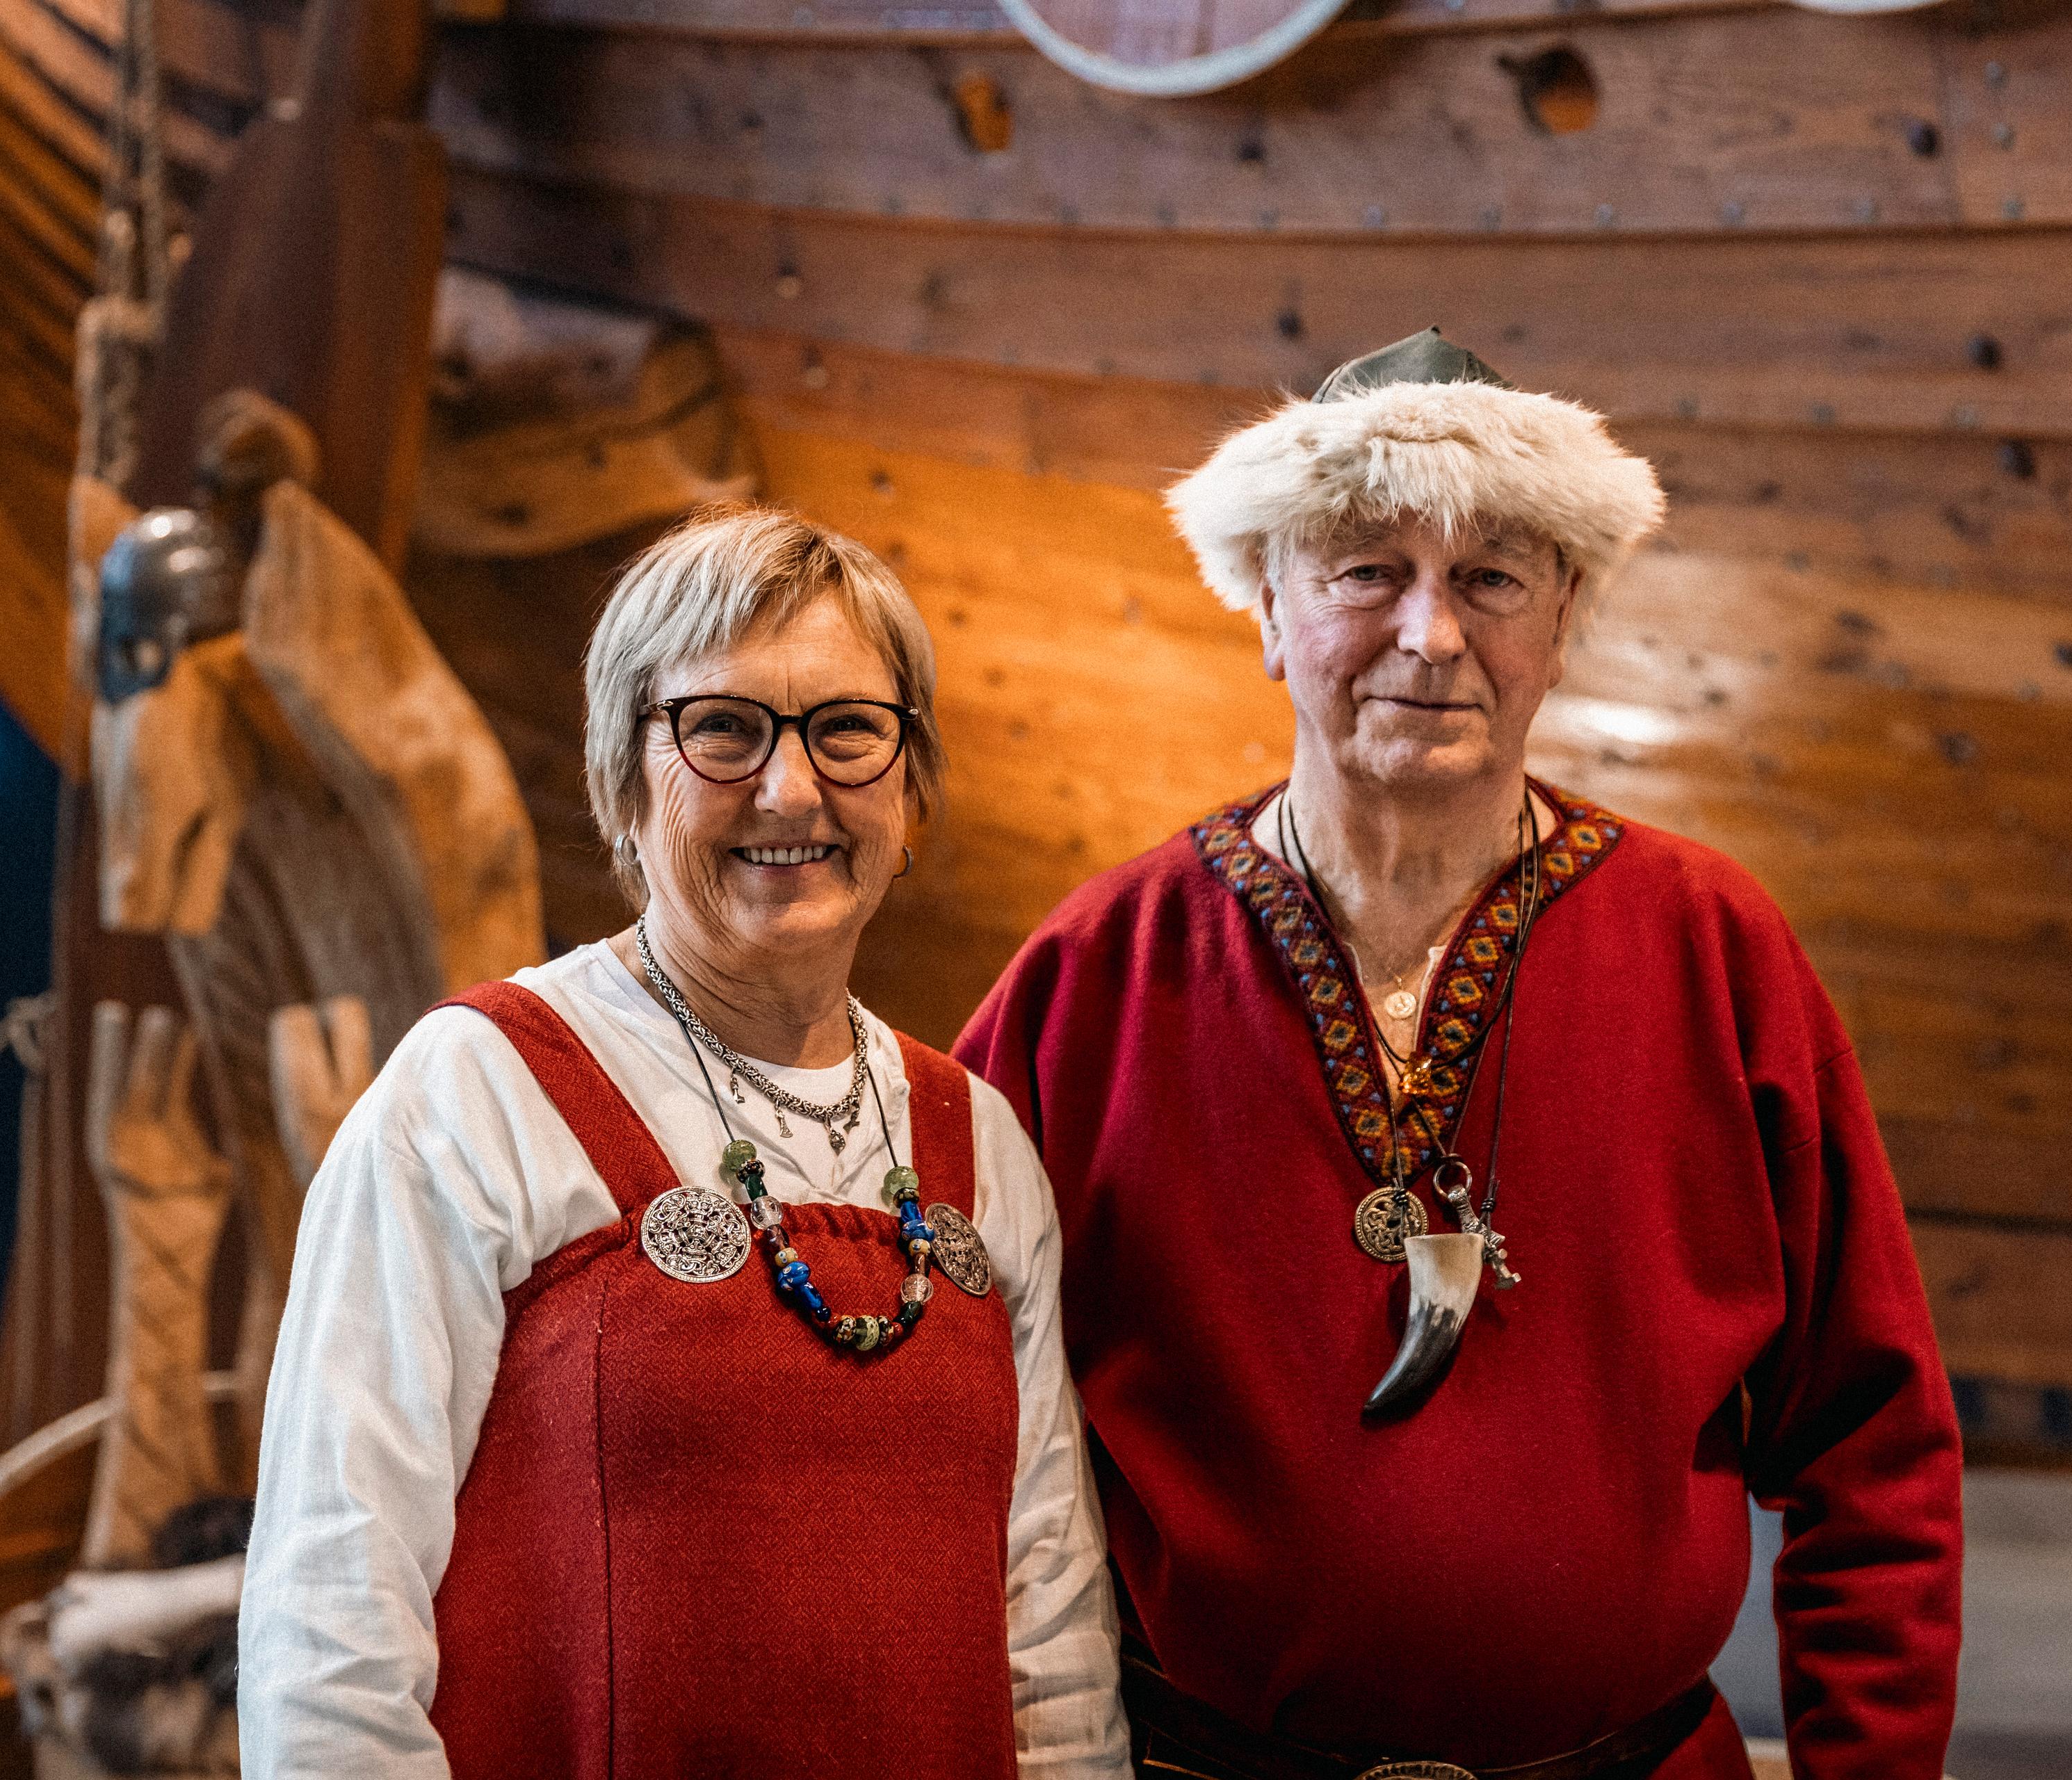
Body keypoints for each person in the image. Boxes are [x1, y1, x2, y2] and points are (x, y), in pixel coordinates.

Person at [957, 330, 1963, 1780]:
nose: (1431, 635)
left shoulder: (1714, 946)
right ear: (1268, 606)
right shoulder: (1096, 969)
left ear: (1564, 621)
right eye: (1368, 570)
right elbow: (947, 1425)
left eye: (1491, 579)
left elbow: (1876, 1450)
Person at [240, 505, 1128, 1778]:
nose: (791, 788)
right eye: (722, 728)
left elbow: (1052, 1637)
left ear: (913, 787)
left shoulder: (978, 1141)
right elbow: (331, 1627)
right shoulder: (477, 1092)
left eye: (848, 728)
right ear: (622, 778)